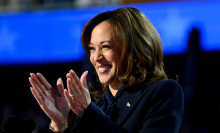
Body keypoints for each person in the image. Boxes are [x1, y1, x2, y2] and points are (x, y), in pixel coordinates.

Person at [29, 7, 184, 133]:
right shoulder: (95, 105)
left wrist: (89, 112)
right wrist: (60, 124)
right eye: (92, 49)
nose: (95, 58)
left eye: (105, 47)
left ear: (134, 50)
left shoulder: (163, 92)